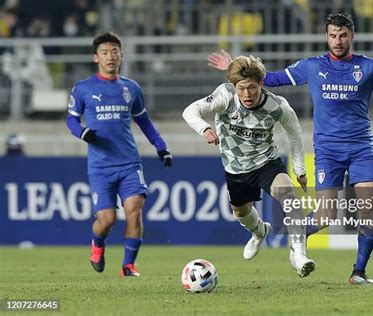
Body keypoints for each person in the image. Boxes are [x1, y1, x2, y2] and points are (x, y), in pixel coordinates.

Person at [208, 12, 373, 285]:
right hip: (328, 152)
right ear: (327, 36)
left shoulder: (369, 67)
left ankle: (358, 272)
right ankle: (297, 239)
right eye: (333, 35)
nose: (338, 41)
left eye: (343, 35)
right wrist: (234, 67)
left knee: (369, 208)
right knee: (325, 215)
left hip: (360, 148)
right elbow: (268, 80)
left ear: (352, 36)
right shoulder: (312, 66)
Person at [183, 55, 315, 278]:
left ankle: (299, 254)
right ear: (234, 86)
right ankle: (259, 232)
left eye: (252, 88)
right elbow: (190, 111)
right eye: (241, 88)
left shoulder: (278, 106)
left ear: (261, 84)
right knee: (241, 212)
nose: (247, 94)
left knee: (288, 195)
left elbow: (294, 132)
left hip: (267, 162)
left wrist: (300, 169)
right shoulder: (225, 95)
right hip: (235, 168)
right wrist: (204, 129)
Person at [66, 31, 173, 278]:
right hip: (100, 166)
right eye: (104, 52)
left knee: (135, 208)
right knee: (107, 219)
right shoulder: (83, 89)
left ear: (121, 55)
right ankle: (97, 244)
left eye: (114, 51)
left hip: (129, 163)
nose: (110, 56)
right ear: (96, 57)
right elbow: (71, 119)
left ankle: (128, 265)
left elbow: (144, 121)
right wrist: (82, 133)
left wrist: (161, 146)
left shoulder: (131, 88)